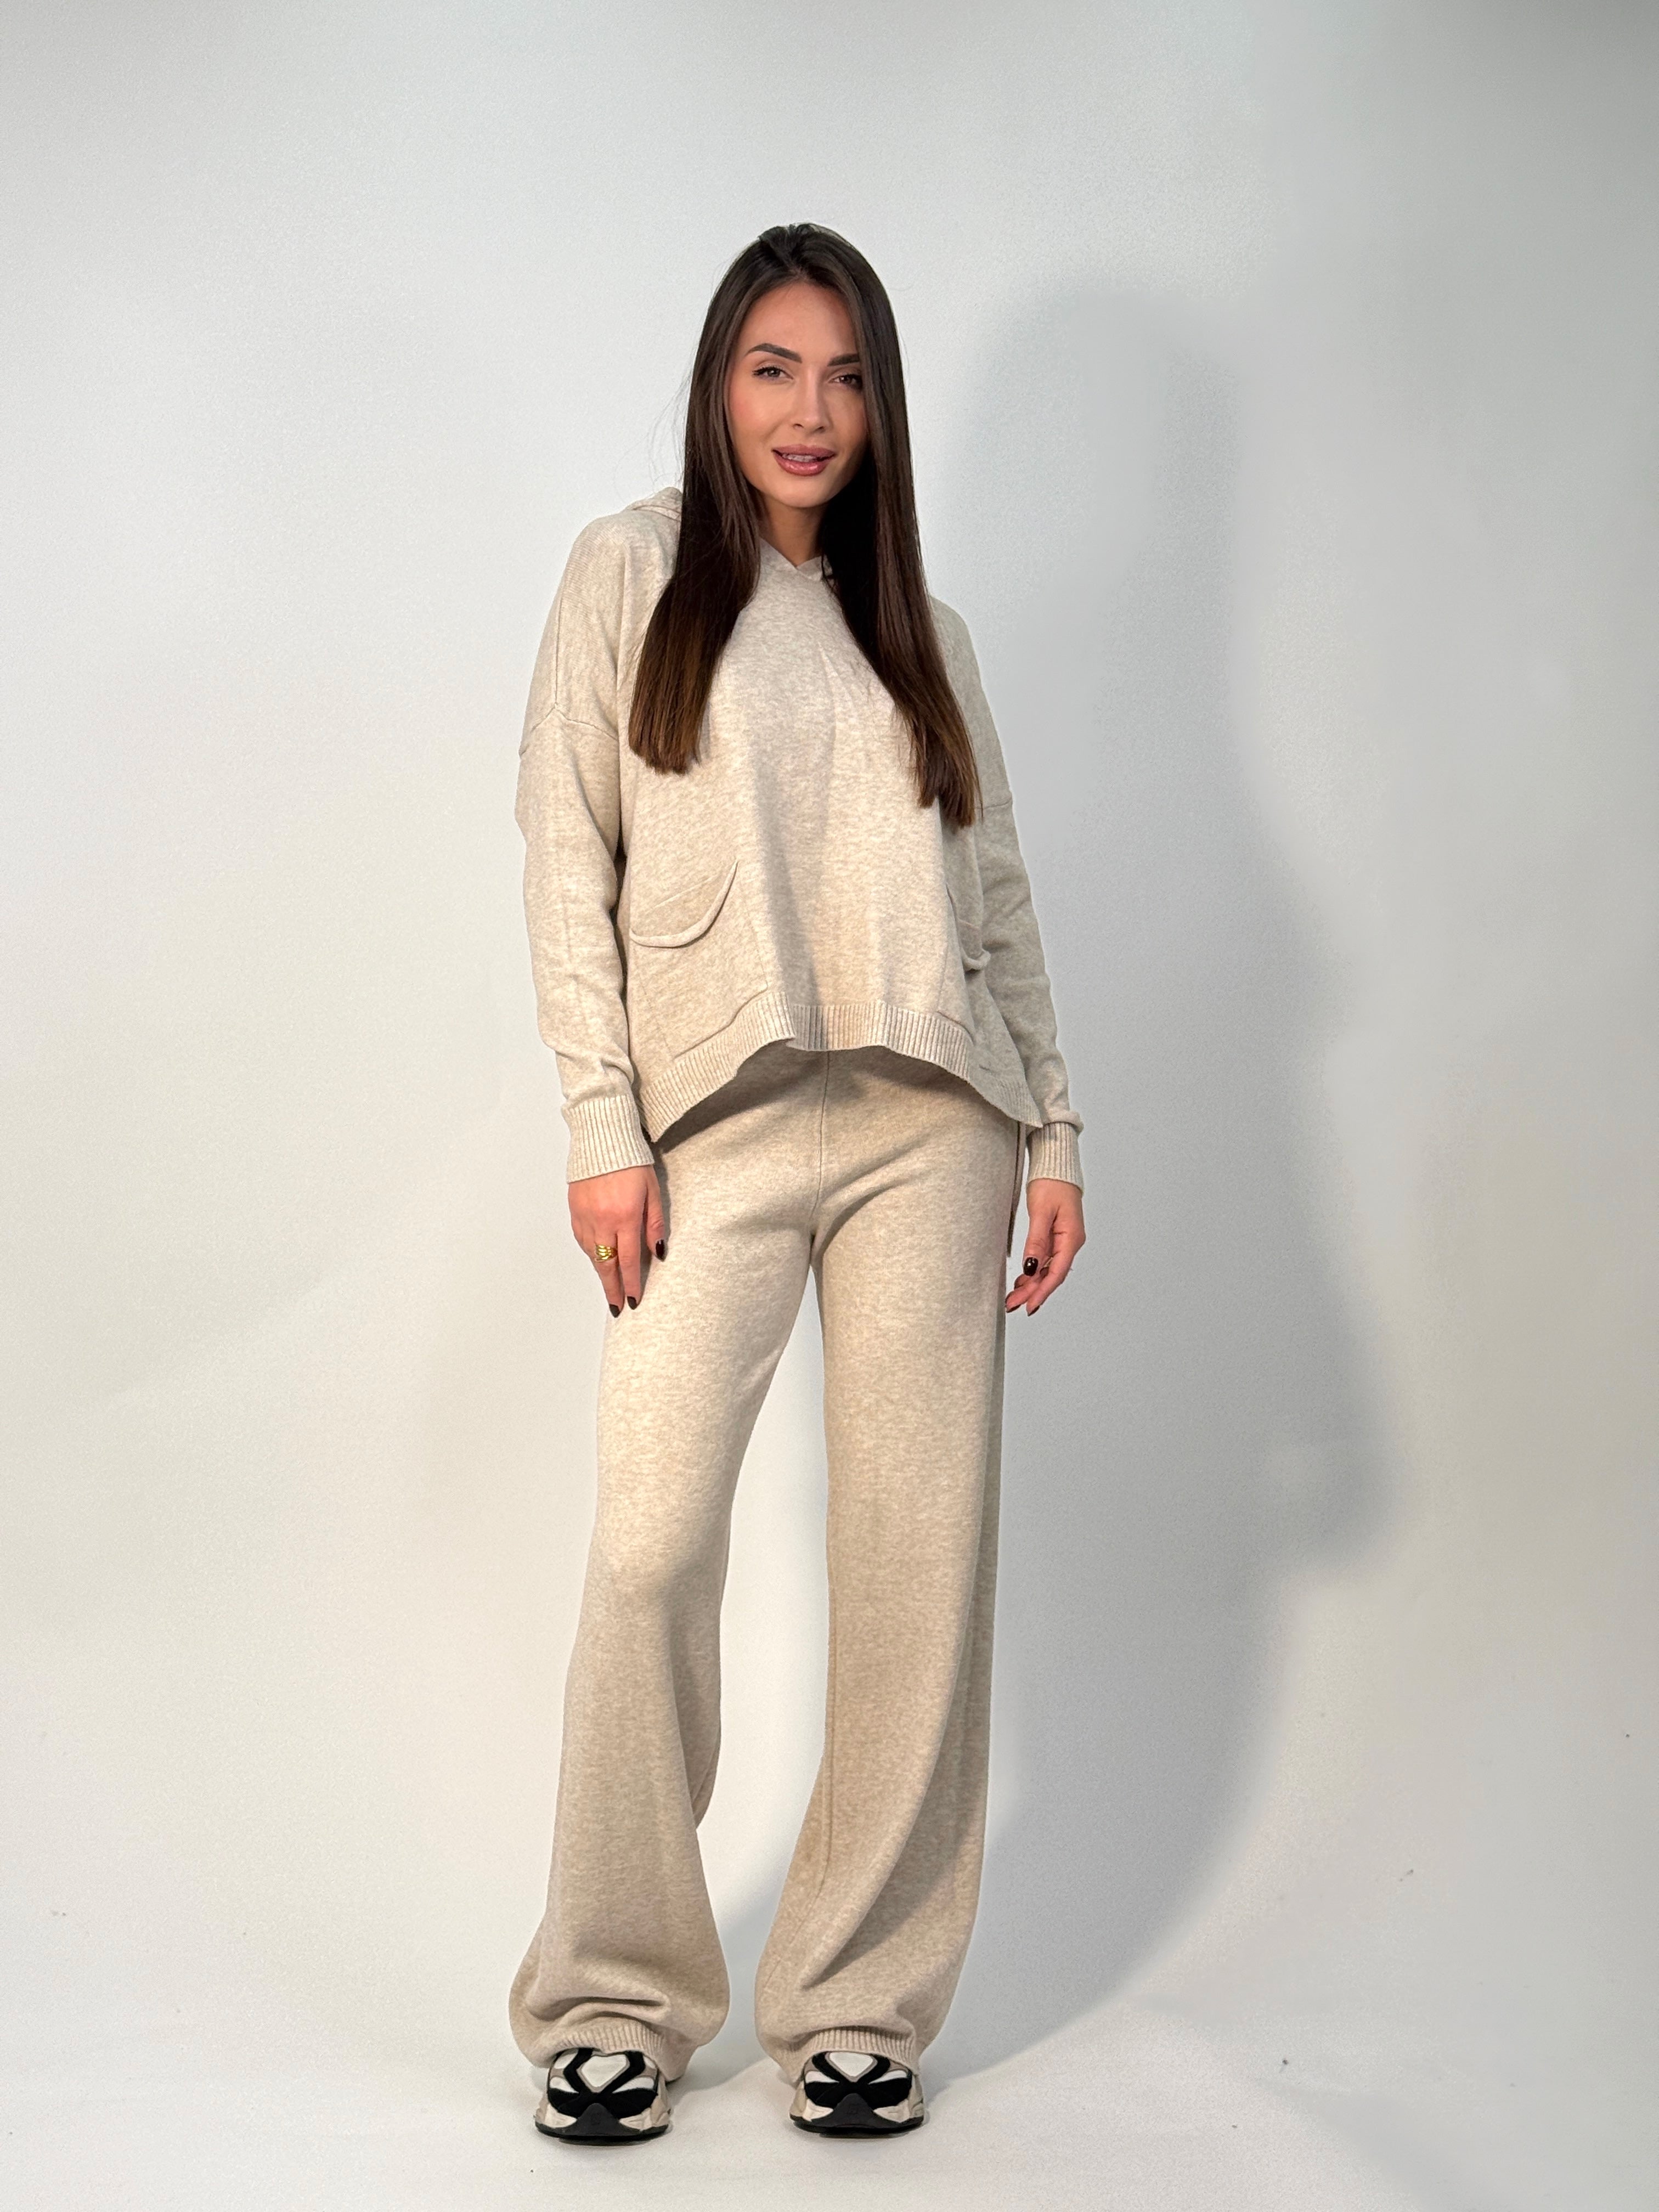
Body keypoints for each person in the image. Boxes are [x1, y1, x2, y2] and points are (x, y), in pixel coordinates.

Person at [507, 222, 1085, 2143]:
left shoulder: (927, 632)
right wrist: (605, 1130)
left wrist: (1056, 1129)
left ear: (880, 402)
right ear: (719, 382)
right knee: (652, 1543)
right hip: (716, 1132)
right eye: (774, 368)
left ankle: (859, 2000)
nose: (810, 410)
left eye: (844, 375)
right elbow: (564, 852)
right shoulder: (630, 573)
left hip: (936, 1126)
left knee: (916, 1564)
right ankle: (612, 1990)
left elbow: (998, 900)